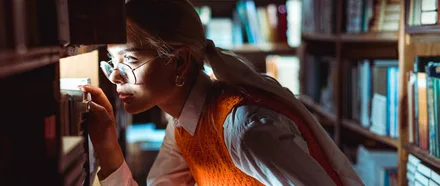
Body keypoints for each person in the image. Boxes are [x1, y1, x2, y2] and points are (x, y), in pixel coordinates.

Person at [79, 0, 364, 185]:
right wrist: (106, 145)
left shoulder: (245, 131)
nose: (115, 76)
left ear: (179, 62)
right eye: (112, 62)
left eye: (129, 61)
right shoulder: (182, 124)